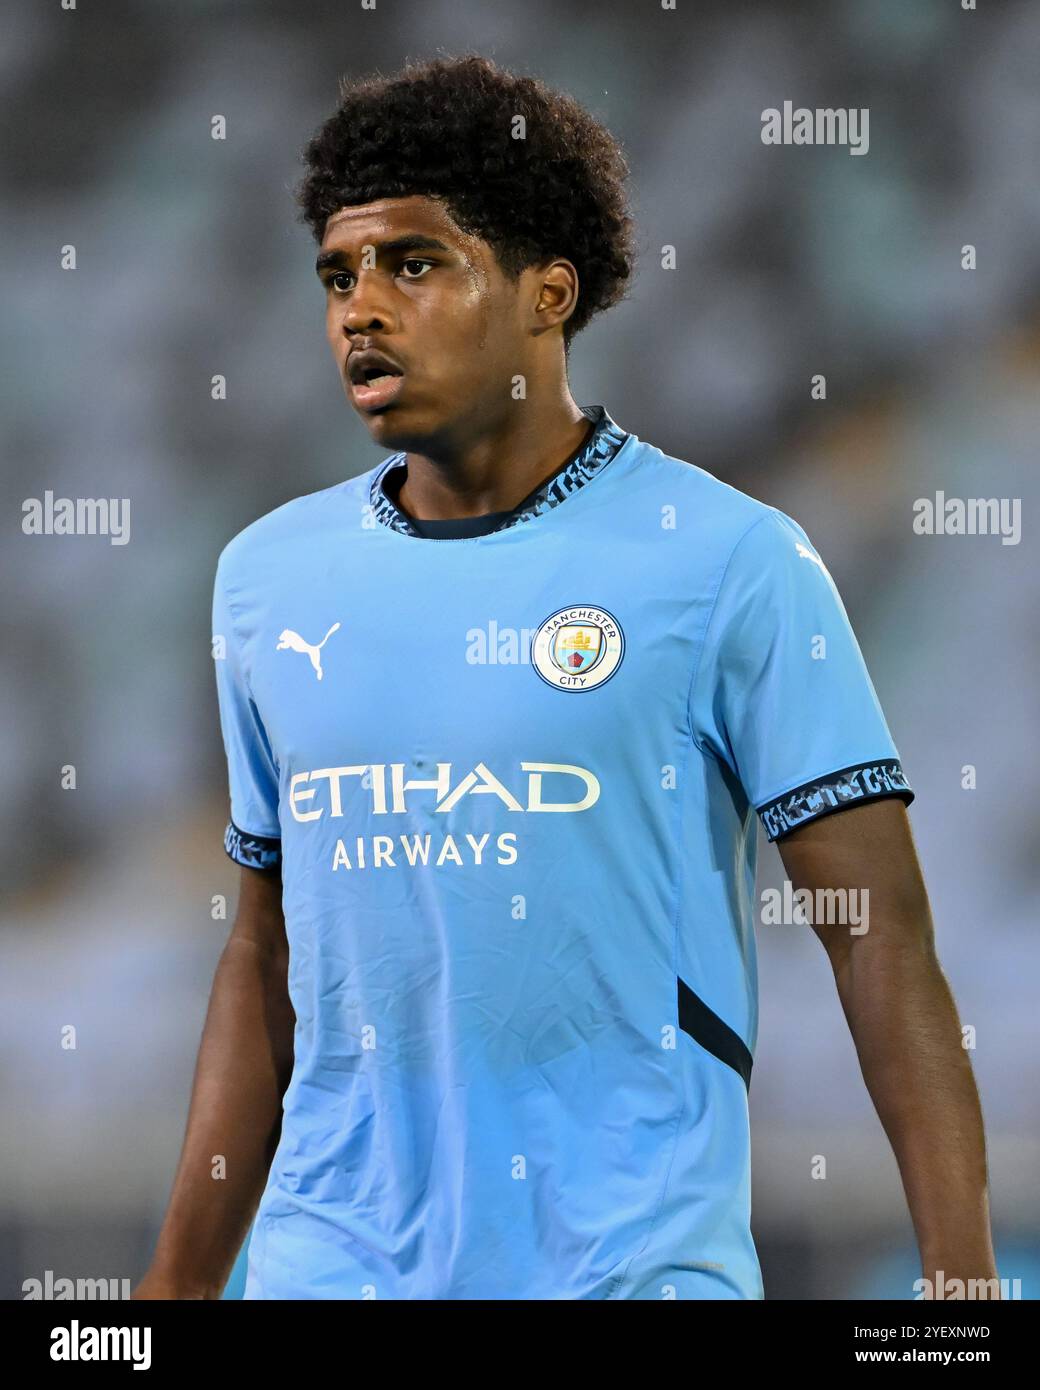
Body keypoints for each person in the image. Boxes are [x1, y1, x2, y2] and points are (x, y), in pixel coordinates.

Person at [134, 54, 997, 1300]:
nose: (358, 308)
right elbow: (261, 959)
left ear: (547, 293)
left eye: (412, 262)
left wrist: (958, 1290)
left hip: (625, 1270)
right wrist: (167, 1301)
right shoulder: (265, 579)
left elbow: (878, 940)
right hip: (329, 1271)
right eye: (338, 273)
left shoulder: (729, 563)